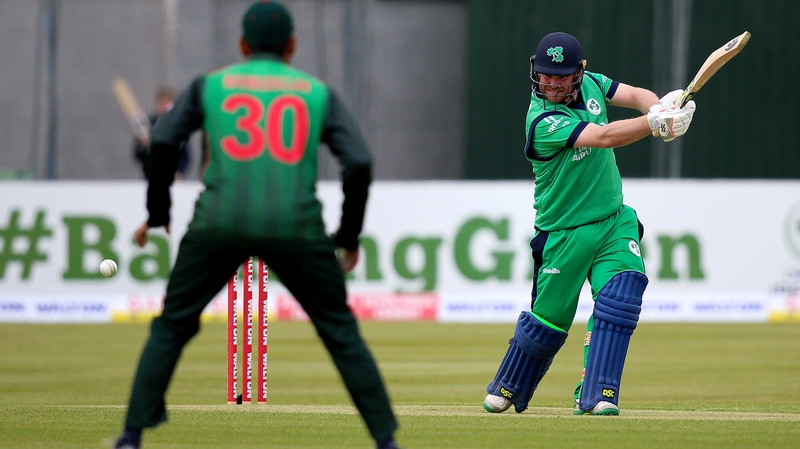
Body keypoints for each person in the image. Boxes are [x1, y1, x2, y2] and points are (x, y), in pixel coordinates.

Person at [113, 2, 400, 448]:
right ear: (293, 45)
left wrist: (159, 212)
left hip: (218, 222)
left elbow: (165, 140)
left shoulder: (212, 85)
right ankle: (386, 441)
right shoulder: (315, 92)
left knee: (172, 326)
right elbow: (358, 161)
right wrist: (347, 236)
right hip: (297, 226)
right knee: (340, 332)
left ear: (242, 45)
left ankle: (131, 436)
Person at [482, 32, 696, 416]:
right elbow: (602, 136)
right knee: (549, 324)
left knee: (621, 296)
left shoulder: (594, 82)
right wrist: (653, 123)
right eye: (546, 75)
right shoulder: (541, 120)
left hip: (613, 221)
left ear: (579, 72)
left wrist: (663, 107)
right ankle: (509, 383)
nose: (552, 83)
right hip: (563, 233)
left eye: (562, 76)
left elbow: (635, 95)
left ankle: (597, 393)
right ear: (535, 71)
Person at [132, 86, 190, 180]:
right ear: (156, 103)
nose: (164, 107)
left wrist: (179, 172)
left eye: (167, 104)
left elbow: (185, 155)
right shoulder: (147, 126)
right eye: (161, 103)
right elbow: (138, 156)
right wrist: (142, 145)